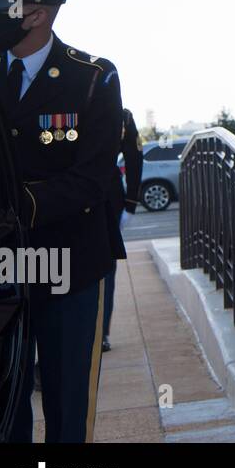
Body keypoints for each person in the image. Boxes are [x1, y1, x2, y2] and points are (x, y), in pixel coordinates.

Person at [0, 0, 122, 442]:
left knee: (67, 401)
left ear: (35, 14)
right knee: (2, 396)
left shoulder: (91, 77)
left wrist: (11, 205)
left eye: (0, 7)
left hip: (70, 260)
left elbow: (93, 179)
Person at [102, 107, 143, 352]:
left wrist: (131, 202)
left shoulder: (122, 115)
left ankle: (101, 330)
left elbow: (134, 158)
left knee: (106, 267)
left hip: (108, 197)